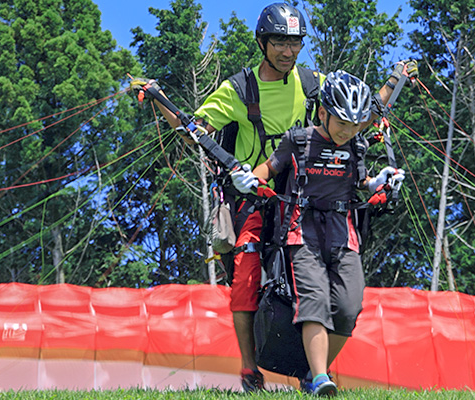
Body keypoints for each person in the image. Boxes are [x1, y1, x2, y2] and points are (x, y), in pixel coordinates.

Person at [150, 2, 417, 392]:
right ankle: (248, 368)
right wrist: (160, 100)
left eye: (294, 43)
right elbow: (196, 128)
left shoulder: (313, 83)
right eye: (279, 42)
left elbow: (358, 110)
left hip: (309, 194)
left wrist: (395, 79)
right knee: (246, 267)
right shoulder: (238, 90)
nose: (288, 51)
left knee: (340, 293)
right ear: (263, 42)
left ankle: (313, 370)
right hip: (256, 193)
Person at [231, 70, 406, 396]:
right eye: (342, 123)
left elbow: (360, 185)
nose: (349, 132)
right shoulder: (296, 140)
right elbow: (268, 169)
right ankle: (318, 377)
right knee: (313, 298)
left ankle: (314, 371)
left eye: (356, 126)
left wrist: (379, 183)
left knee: (348, 306)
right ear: (323, 113)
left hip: (343, 235)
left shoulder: (355, 145)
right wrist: (250, 180)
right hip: (301, 233)